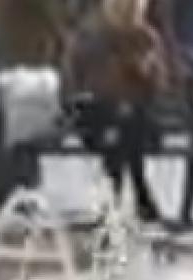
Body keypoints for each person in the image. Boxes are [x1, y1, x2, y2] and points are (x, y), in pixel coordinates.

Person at [66, 0, 168, 221]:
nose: (128, 14)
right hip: (96, 116)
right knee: (118, 125)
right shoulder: (92, 37)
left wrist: (146, 71)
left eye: (133, 9)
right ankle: (139, 192)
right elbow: (80, 81)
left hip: (136, 122)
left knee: (127, 125)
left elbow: (158, 87)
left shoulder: (146, 39)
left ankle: (115, 197)